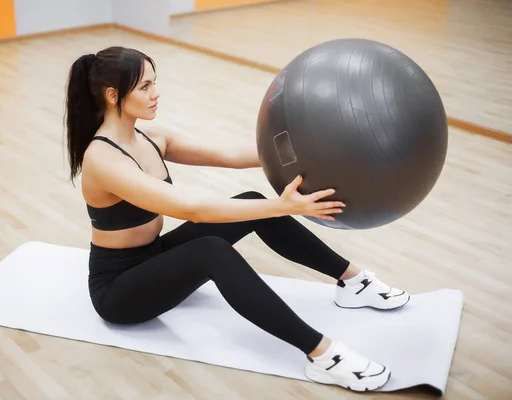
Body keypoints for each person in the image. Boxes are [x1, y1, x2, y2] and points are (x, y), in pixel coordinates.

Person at [64, 46, 410, 392]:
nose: (156, 94)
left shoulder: (152, 138)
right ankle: (324, 356)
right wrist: (284, 206)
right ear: (113, 96)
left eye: (155, 83)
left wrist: (312, 152)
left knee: (250, 202)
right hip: (117, 289)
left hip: (151, 256)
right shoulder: (103, 159)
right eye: (145, 87)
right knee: (212, 251)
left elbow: (229, 155)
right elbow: (190, 208)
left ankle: (352, 282)